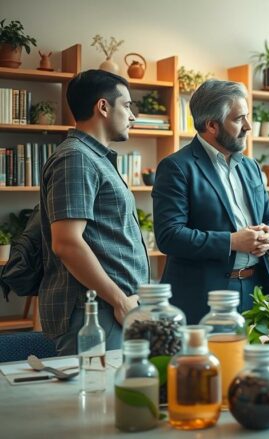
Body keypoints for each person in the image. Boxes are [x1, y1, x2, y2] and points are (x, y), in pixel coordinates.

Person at [153, 79, 269, 324]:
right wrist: (232, 242)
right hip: (206, 299)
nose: (248, 126)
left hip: (258, 292)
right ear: (211, 125)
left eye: (247, 117)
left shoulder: (251, 166)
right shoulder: (176, 167)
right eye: (238, 119)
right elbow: (169, 236)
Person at [39, 70, 149, 355]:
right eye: (126, 105)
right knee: (96, 399)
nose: (132, 115)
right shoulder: (77, 158)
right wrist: (120, 301)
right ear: (102, 107)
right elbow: (67, 243)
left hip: (110, 308)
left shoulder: (92, 158)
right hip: (96, 311)